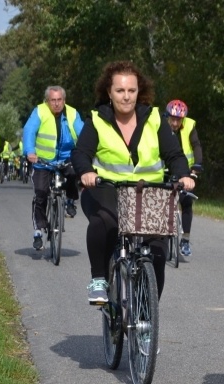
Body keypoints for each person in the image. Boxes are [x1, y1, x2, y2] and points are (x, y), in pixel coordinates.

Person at [72, 60, 195, 304]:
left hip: (148, 195)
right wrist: (86, 171)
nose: (126, 97)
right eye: (120, 90)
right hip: (106, 189)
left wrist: (184, 175)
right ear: (109, 92)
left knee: (158, 254)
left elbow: (174, 154)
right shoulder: (97, 120)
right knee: (103, 222)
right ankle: (99, 279)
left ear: (139, 92)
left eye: (131, 90)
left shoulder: (155, 119)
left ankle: (146, 317)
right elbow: (81, 153)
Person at [23, 86, 85, 250]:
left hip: (66, 157)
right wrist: (30, 151)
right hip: (42, 160)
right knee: (41, 193)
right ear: (47, 101)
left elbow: (82, 132)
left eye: (59, 100)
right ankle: (39, 229)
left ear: (64, 101)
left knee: (74, 173)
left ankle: (70, 201)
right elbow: (29, 131)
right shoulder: (40, 111)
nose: (56, 104)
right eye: (53, 100)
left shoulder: (72, 113)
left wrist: (87, 150)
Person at [164, 99, 203, 257]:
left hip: (186, 171)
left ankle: (185, 239)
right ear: (167, 117)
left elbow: (196, 147)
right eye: (172, 119)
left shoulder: (189, 127)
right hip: (165, 170)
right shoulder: (160, 127)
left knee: (186, 202)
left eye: (178, 120)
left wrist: (196, 167)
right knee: (163, 203)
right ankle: (163, 239)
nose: (174, 123)